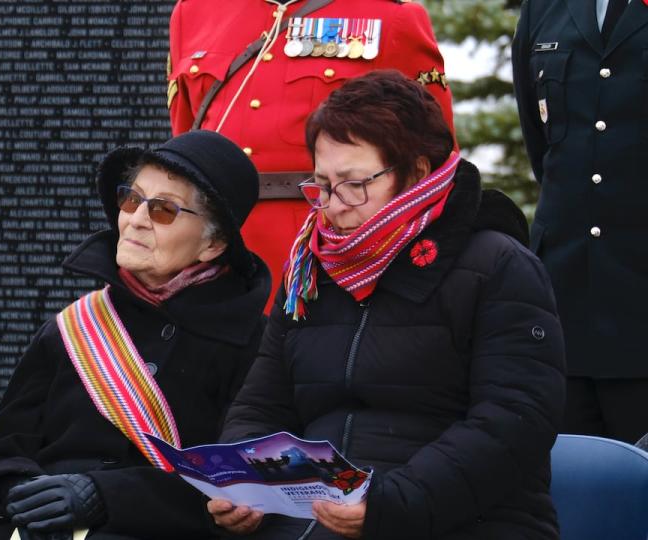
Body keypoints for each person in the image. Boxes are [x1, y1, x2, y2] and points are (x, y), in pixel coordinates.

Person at [208, 71, 566, 539]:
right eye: (321, 184)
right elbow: (260, 406)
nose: (333, 206)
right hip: (312, 518)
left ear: (417, 172)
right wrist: (244, 482)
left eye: (354, 183)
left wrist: (393, 503)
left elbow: (513, 422)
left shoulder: (498, 265)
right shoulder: (311, 269)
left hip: (461, 520)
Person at [0, 130, 270, 540]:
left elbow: (236, 487)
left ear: (212, 244)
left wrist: (104, 495)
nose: (136, 219)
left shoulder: (252, 343)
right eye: (132, 198)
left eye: (163, 209)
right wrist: (27, 495)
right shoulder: (74, 326)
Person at [169, 0, 455, 311]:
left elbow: (433, 165)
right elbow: (185, 149)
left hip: (324, 255)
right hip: (212, 253)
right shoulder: (194, 12)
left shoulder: (391, 16)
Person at [512, 0, 648, 444]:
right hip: (567, 294)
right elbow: (543, 142)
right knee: (572, 484)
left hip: (639, 295)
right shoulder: (544, 9)